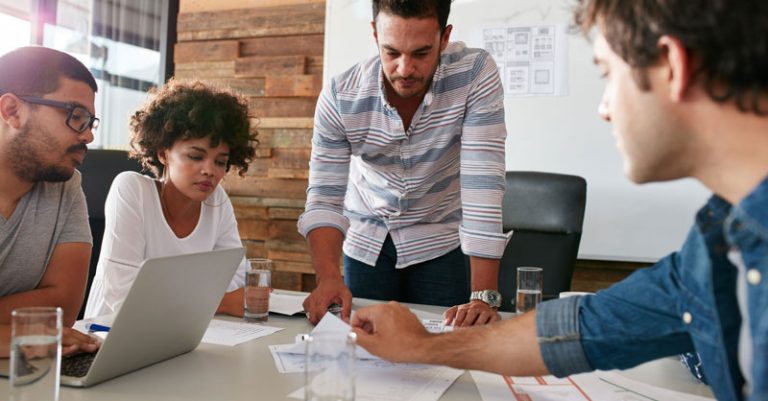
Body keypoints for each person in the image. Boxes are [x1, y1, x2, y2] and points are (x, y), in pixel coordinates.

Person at [350, 1, 768, 400]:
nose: (604, 108)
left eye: (607, 73)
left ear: (673, 66)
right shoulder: (716, 245)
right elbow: (587, 328)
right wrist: (423, 346)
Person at [299, 0, 508, 326]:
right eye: (392, 52)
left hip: (439, 239)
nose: (405, 69)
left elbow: (483, 182)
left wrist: (483, 296)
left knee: (447, 350)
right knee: (366, 349)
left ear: (444, 37)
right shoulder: (342, 97)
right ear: (374, 34)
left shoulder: (474, 74)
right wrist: (327, 278)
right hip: (367, 239)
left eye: (421, 53)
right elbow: (325, 198)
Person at [84, 80, 256, 318]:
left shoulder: (217, 201)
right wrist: (222, 303)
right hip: (110, 333)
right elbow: (125, 297)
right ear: (163, 154)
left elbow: (237, 277)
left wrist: (173, 296)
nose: (210, 171)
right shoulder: (131, 189)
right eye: (196, 156)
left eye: (220, 162)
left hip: (186, 330)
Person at [0, 46, 102, 357]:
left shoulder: (65, 185)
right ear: (12, 111)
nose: (88, 137)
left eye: (89, 122)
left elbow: (64, 307)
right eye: (76, 117)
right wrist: (11, 335)